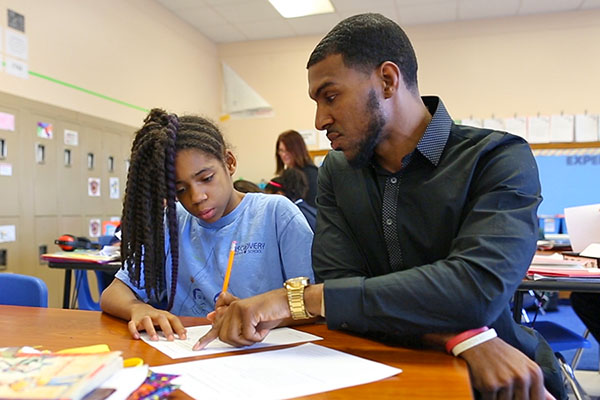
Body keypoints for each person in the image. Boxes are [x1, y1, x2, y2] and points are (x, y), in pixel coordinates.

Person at [196, 13, 566, 400]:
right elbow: (342, 292)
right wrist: (463, 336)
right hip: (377, 367)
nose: (321, 119)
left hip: (501, 379)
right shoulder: (339, 172)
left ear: (388, 80)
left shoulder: (497, 158)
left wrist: (301, 300)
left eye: (331, 96)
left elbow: (474, 291)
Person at [100, 109, 314, 341]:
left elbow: (311, 302)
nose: (197, 197)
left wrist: (258, 313)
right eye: (180, 190)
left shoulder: (276, 214)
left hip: (266, 353)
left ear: (229, 163)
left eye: (206, 178)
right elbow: (113, 293)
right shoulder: (173, 222)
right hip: (186, 351)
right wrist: (138, 308)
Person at [275, 130, 318, 207]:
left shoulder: (311, 173)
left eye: (288, 150)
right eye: (281, 150)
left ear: (297, 150)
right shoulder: (287, 174)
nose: (284, 155)